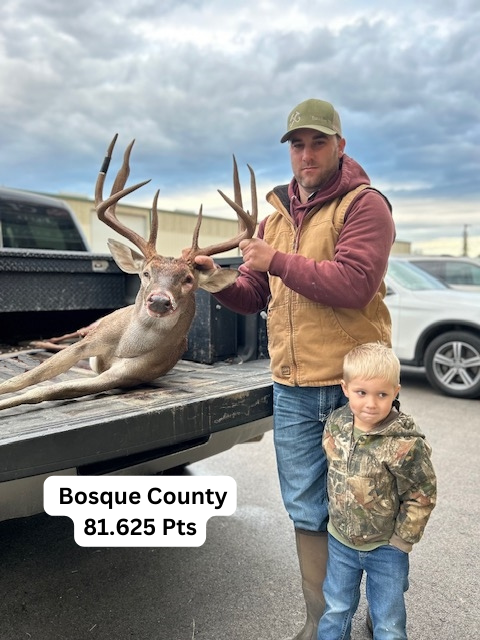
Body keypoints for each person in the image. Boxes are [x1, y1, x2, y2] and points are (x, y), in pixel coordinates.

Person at [192, 98, 395, 640]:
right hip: (293, 388)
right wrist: (217, 279)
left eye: (318, 143)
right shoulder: (275, 216)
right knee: (308, 510)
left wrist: (275, 260)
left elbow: (354, 282)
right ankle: (322, 622)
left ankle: (383, 616)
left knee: (368, 508)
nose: (307, 154)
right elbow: (256, 291)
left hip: (356, 389)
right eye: (298, 145)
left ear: (340, 146)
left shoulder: (365, 205)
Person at [318, 342, 437, 640]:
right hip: (341, 541)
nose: (371, 403)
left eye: (382, 394)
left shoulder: (404, 441)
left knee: (388, 622)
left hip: (387, 548)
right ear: (345, 389)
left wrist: (402, 541)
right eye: (362, 393)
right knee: (336, 610)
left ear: (395, 392)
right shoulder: (336, 424)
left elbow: (422, 493)